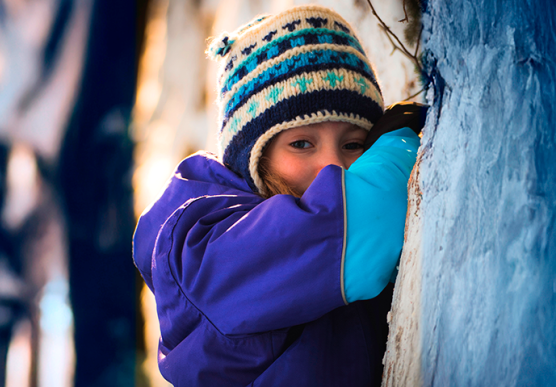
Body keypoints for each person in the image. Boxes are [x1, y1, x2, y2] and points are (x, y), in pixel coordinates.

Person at [133, 5, 427, 386]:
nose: (332, 166)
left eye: (354, 143)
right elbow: (360, 230)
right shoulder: (206, 247)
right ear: (252, 159)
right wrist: (397, 147)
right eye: (302, 143)